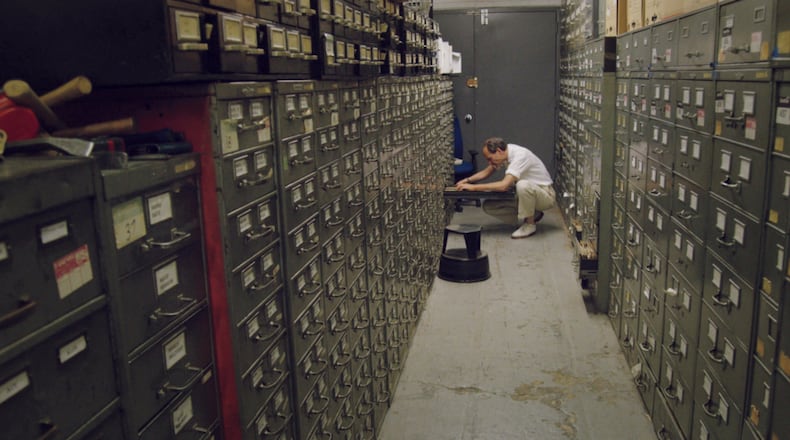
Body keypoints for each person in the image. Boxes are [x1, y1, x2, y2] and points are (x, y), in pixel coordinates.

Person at [455, 137, 555, 238]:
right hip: (529, 195)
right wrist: (467, 180)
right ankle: (534, 214)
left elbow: (503, 186)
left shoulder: (520, 156)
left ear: (498, 151)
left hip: (545, 195)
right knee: (489, 206)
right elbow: (487, 171)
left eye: (490, 158)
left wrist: (474, 188)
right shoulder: (505, 154)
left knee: (523, 185)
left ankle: (530, 224)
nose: (489, 162)